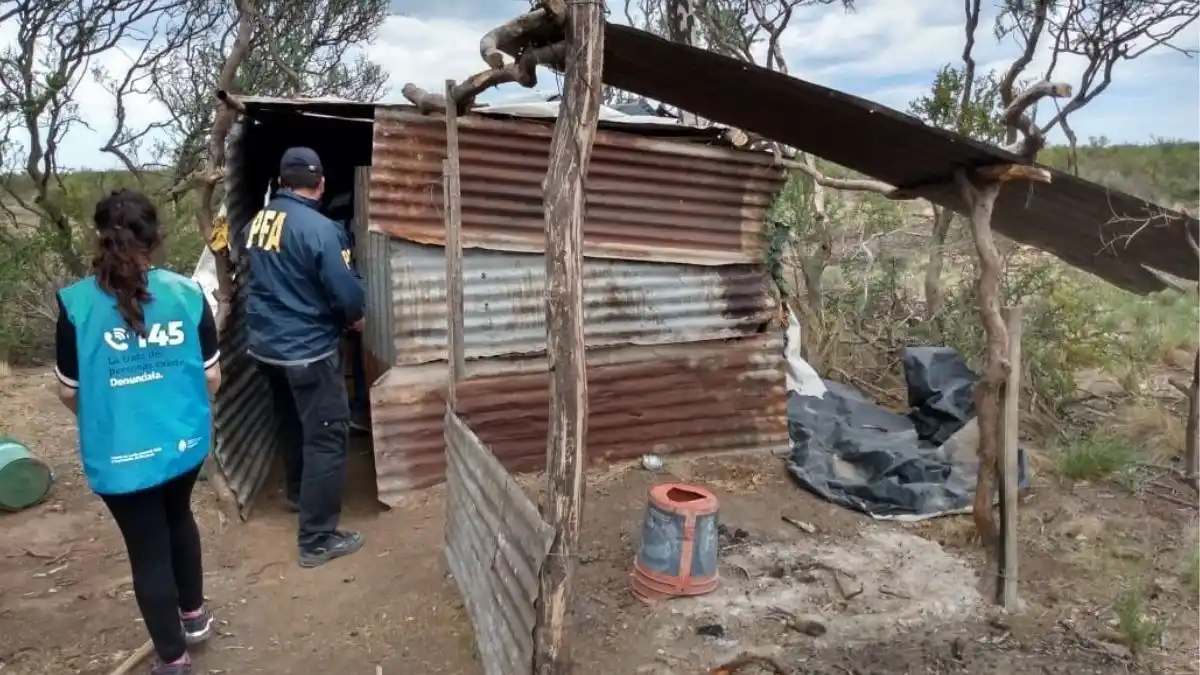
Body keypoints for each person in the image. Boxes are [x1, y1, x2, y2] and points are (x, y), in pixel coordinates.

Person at [54, 189, 221, 675]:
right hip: (182, 441)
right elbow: (211, 376)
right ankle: (193, 617)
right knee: (179, 517)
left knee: (147, 548)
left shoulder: (76, 305)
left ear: (98, 236)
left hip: (120, 452)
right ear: (155, 235)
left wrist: (104, 414)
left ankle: (173, 658)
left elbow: (67, 390)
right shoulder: (188, 294)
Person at [246, 146, 367, 568]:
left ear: (282, 181)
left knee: (290, 421)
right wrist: (355, 316)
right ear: (321, 182)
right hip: (307, 350)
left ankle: (299, 493)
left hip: (266, 347)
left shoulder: (259, 221)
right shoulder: (321, 229)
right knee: (327, 435)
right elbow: (346, 292)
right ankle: (316, 539)